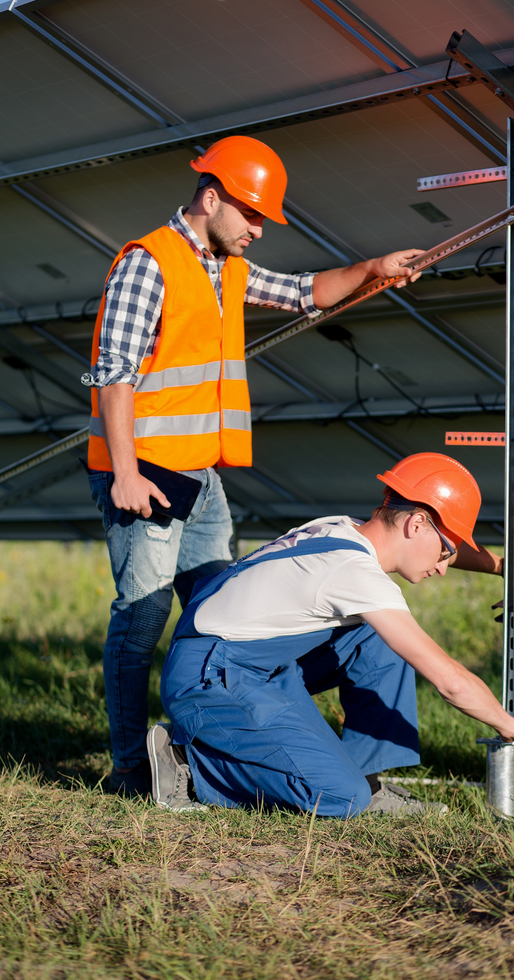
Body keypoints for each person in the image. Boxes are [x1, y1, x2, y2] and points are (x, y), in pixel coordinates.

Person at [83, 135, 431, 797]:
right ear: (210, 197)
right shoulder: (147, 264)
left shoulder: (228, 270)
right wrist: (125, 473)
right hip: (145, 475)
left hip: (199, 478)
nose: (259, 228)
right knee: (141, 620)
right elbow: (113, 377)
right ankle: (130, 767)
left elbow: (306, 291)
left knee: (226, 615)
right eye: (250, 214)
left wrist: (375, 268)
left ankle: (197, 748)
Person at [148, 453, 514, 817]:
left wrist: (510, 569)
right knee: (338, 798)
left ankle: (367, 782)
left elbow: (441, 548)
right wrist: (510, 724)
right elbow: (450, 681)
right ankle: (187, 762)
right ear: (417, 523)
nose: (442, 567)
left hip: (247, 660)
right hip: (208, 678)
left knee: (377, 636)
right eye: (445, 551)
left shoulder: (345, 530)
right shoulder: (354, 573)